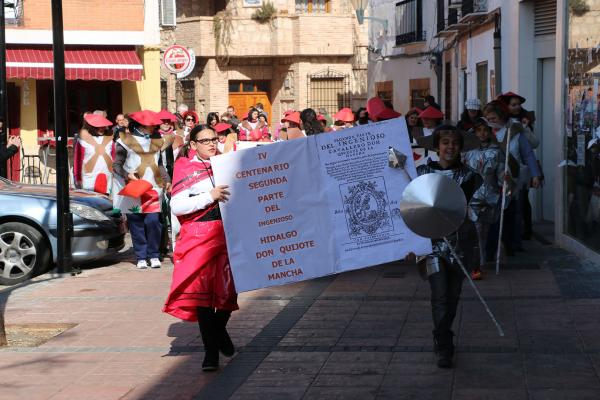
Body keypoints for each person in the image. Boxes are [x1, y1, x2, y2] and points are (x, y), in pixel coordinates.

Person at [164, 127, 238, 372]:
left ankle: (219, 331)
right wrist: (210, 195)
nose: (211, 144)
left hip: (228, 235)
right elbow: (177, 206)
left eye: (214, 139)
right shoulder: (185, 167)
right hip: (198, 238)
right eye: (205, 141)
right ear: (193, 145)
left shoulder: (227, 163)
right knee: (202, 296)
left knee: (228, 292)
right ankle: (210, 353)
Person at [413, 124, 481, 368]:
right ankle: (444, 344)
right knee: (439, 294)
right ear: (436, 147)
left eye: (454, 143)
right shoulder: (419, 174)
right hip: (430, 246)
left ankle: (443, 331)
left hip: (461, 244)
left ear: (460, 147)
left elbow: (480, 207)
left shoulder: (472, 177)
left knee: (452, 296)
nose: (449, 147)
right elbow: (408, 207)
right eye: (445, 143)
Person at [112, 110, 173, 270]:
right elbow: (116, 165)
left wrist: (167, 180)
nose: (154, 127)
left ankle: (154, 255)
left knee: (154, 222)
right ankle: (141, 256)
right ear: (141, 125)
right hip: (134, 187)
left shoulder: (158, 140)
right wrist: (126, 174)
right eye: (151, 125)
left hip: (154, 188)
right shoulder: (124, 140)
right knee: (136, 223)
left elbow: (159, 164)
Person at [483, 101, 541, 257]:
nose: (490, 121)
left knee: (511, 213)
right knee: (493, 216)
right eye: (488, 118)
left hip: (512, 178)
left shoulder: (514, 131)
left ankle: (511, 244)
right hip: (490, 180)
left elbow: (528, 153)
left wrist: (535, 174)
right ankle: (490, 250)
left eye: (493, 118)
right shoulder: (484, 132)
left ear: (501, 116)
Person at [463, 117, 515, 280]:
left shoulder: (497, 152)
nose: (482, 133)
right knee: (476, 228)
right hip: (474, 194)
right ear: (475, 132)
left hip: (491, 195)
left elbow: (501, 172)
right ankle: (477, 263)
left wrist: (505, 179)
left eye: (485, 130)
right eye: (479, 130)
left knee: (485, 229)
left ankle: (482, 257)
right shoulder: (468, 152)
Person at [73, 113, 115, 194]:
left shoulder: (109, 139)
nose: (102, 128)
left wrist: (115, 174)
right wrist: (78, 178)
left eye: (103, 126)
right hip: (89, 177)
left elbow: (114, 156)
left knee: (106, 201)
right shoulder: (82, 140)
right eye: (99, 126)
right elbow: (78, 160)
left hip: (107, 175)